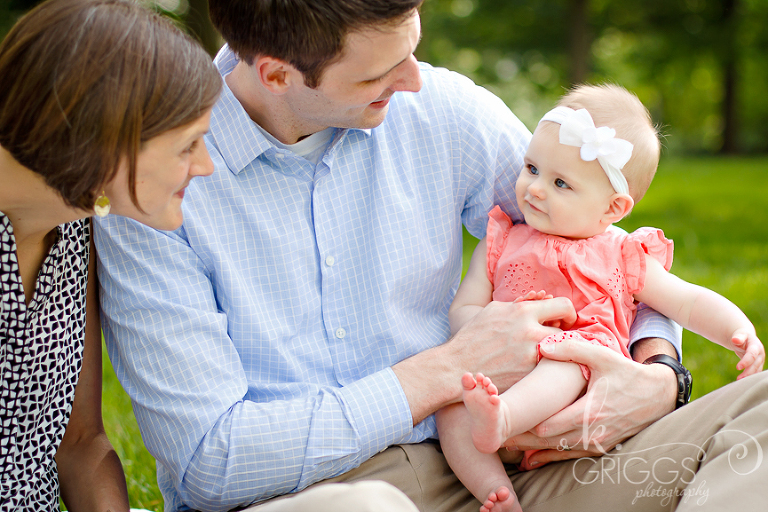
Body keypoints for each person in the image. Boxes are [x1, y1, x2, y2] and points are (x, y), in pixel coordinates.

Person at [93, 1, 768, 511]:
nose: (415, 81)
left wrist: (656, 374)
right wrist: (441, 373)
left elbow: (597, 240)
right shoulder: (152, 180)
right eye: (381, 72)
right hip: (326, 492)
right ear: (275, 73)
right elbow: (210, 461)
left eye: (412, 48)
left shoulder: (440, 110)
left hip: (516, 466)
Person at [436, 84, 765, 512]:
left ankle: (501, 421)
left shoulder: (621, 254)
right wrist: (483, 328)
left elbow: (686, 302)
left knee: (568, 363)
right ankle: (495, 489)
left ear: (613, 208)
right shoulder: (501, 240)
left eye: (559, 183)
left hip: (573, 382)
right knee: (449, 407)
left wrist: (737, 329)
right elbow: (464, 308)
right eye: (531, 168)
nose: (534, 189)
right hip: (498, 366)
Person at [0, 0, 222, 509]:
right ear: (108, 142)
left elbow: (80, 444)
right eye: (188, 145)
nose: (206, 166)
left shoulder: (75, 230)